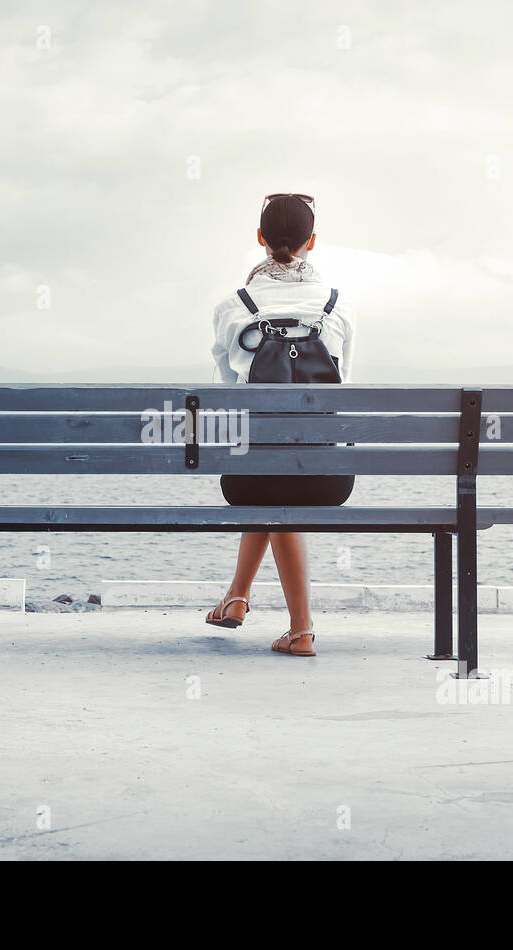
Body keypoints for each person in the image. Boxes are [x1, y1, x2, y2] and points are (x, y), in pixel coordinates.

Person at [206, 193, 357, 657]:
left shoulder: (234, 306)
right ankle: (237, 597)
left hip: (250, 473)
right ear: (312, 241)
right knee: (281, 474)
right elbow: (343, 385)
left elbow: (226, 390)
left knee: (269, 474)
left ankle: (301, 629)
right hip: (327, 478)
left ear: (260, 240)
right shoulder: (337, 306)